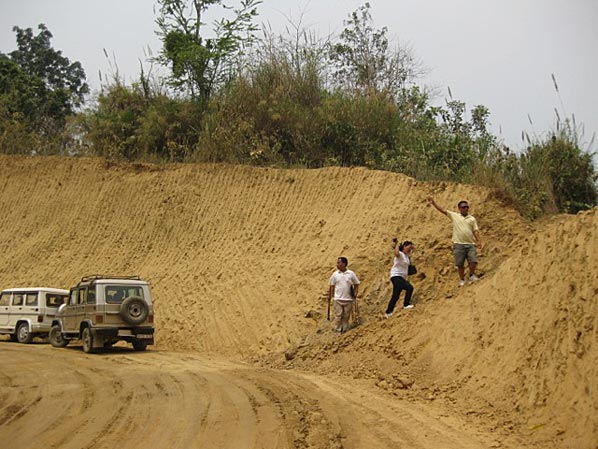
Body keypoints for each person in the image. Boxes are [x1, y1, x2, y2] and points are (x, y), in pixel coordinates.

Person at [428, 196, 483, 286]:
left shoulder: (472, 219)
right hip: (458, 244)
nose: (465, 208)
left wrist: (479, 241)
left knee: (473, 261)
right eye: (463, 207)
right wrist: (434, 203)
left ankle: (471, 275)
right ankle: (462, 279)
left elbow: (475, 231)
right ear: (459, 208)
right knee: (460, 264)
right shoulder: (455, 216)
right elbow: (443, 210)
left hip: (470, 244)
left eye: (467, 207)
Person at [328, 257, 360, 334]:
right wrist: (332, 296)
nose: (337, 264)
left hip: (348, 299)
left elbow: (356, 283)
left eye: (339, 263)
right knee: (338, 315)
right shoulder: (335, 274)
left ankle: (345, 330)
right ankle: (337, 330)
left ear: (344, 264)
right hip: (338, 299)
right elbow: (331, 285)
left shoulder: (351, 273)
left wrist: (355, 294)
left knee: (346, 316)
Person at [384, 239, 416, 318]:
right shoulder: (401, 254)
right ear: (404, 247)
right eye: (408, 248)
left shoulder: (407, 256)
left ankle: (388, 312)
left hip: (401, 277)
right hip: (396, 276)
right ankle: (406, 304)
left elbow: (413, 250)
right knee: (409, 288)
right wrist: (397, 244)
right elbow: (396, 253)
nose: (409, 250)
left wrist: (412, 247)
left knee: (396, 296)